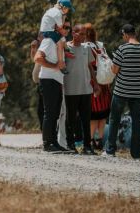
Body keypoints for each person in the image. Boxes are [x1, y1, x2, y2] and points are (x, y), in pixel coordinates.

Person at [104, 24, 140, 159]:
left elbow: (114, 70)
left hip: (121, 91)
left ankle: (110, 151)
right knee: (137, 122)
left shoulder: (122, 49)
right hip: (138, 92)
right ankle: (136, 154)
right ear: (135, 33)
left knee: (114, 120)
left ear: (125, 34)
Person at [34, 26, 70, 153]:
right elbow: (38, 58)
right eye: (65, 27)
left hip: (57, 81)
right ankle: (47, 143)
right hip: (48, 80)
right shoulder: (49, 41)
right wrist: (54, 66)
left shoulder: (58, 42)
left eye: (69, 28)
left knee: (55, 113)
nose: (67, 30)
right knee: (49, 113)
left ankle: (54, 142)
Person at [64, 24, 98, 154]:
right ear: (74, 33)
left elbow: (90, 66)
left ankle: (87, 146)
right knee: (71, 118)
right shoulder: (66, 47)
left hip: (86, 89)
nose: (83, 37)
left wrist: (95, 83)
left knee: (86, 118)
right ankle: (70, 144)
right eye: (81, 34)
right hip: (70, 89)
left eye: (85, 34)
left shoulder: (86, 48)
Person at [88, 24, 112, 151]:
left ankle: (91, 140)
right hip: (104, 82)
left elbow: (90, 65)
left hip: (93, 83)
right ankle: (100, 140)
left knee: (93, 115)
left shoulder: (87, 47)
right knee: (102, 115)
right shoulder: (100, 45)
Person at [40, 0, 73, 74]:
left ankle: (66, 48)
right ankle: (61, 65)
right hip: (48, 31)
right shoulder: (58, 14)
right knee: (59, 44)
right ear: (64, 8)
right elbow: (60, 26)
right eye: (68, 9)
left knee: (62, 37)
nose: (68, 11)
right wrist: (64, 17)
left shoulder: (53, 10)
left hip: (48, 29)